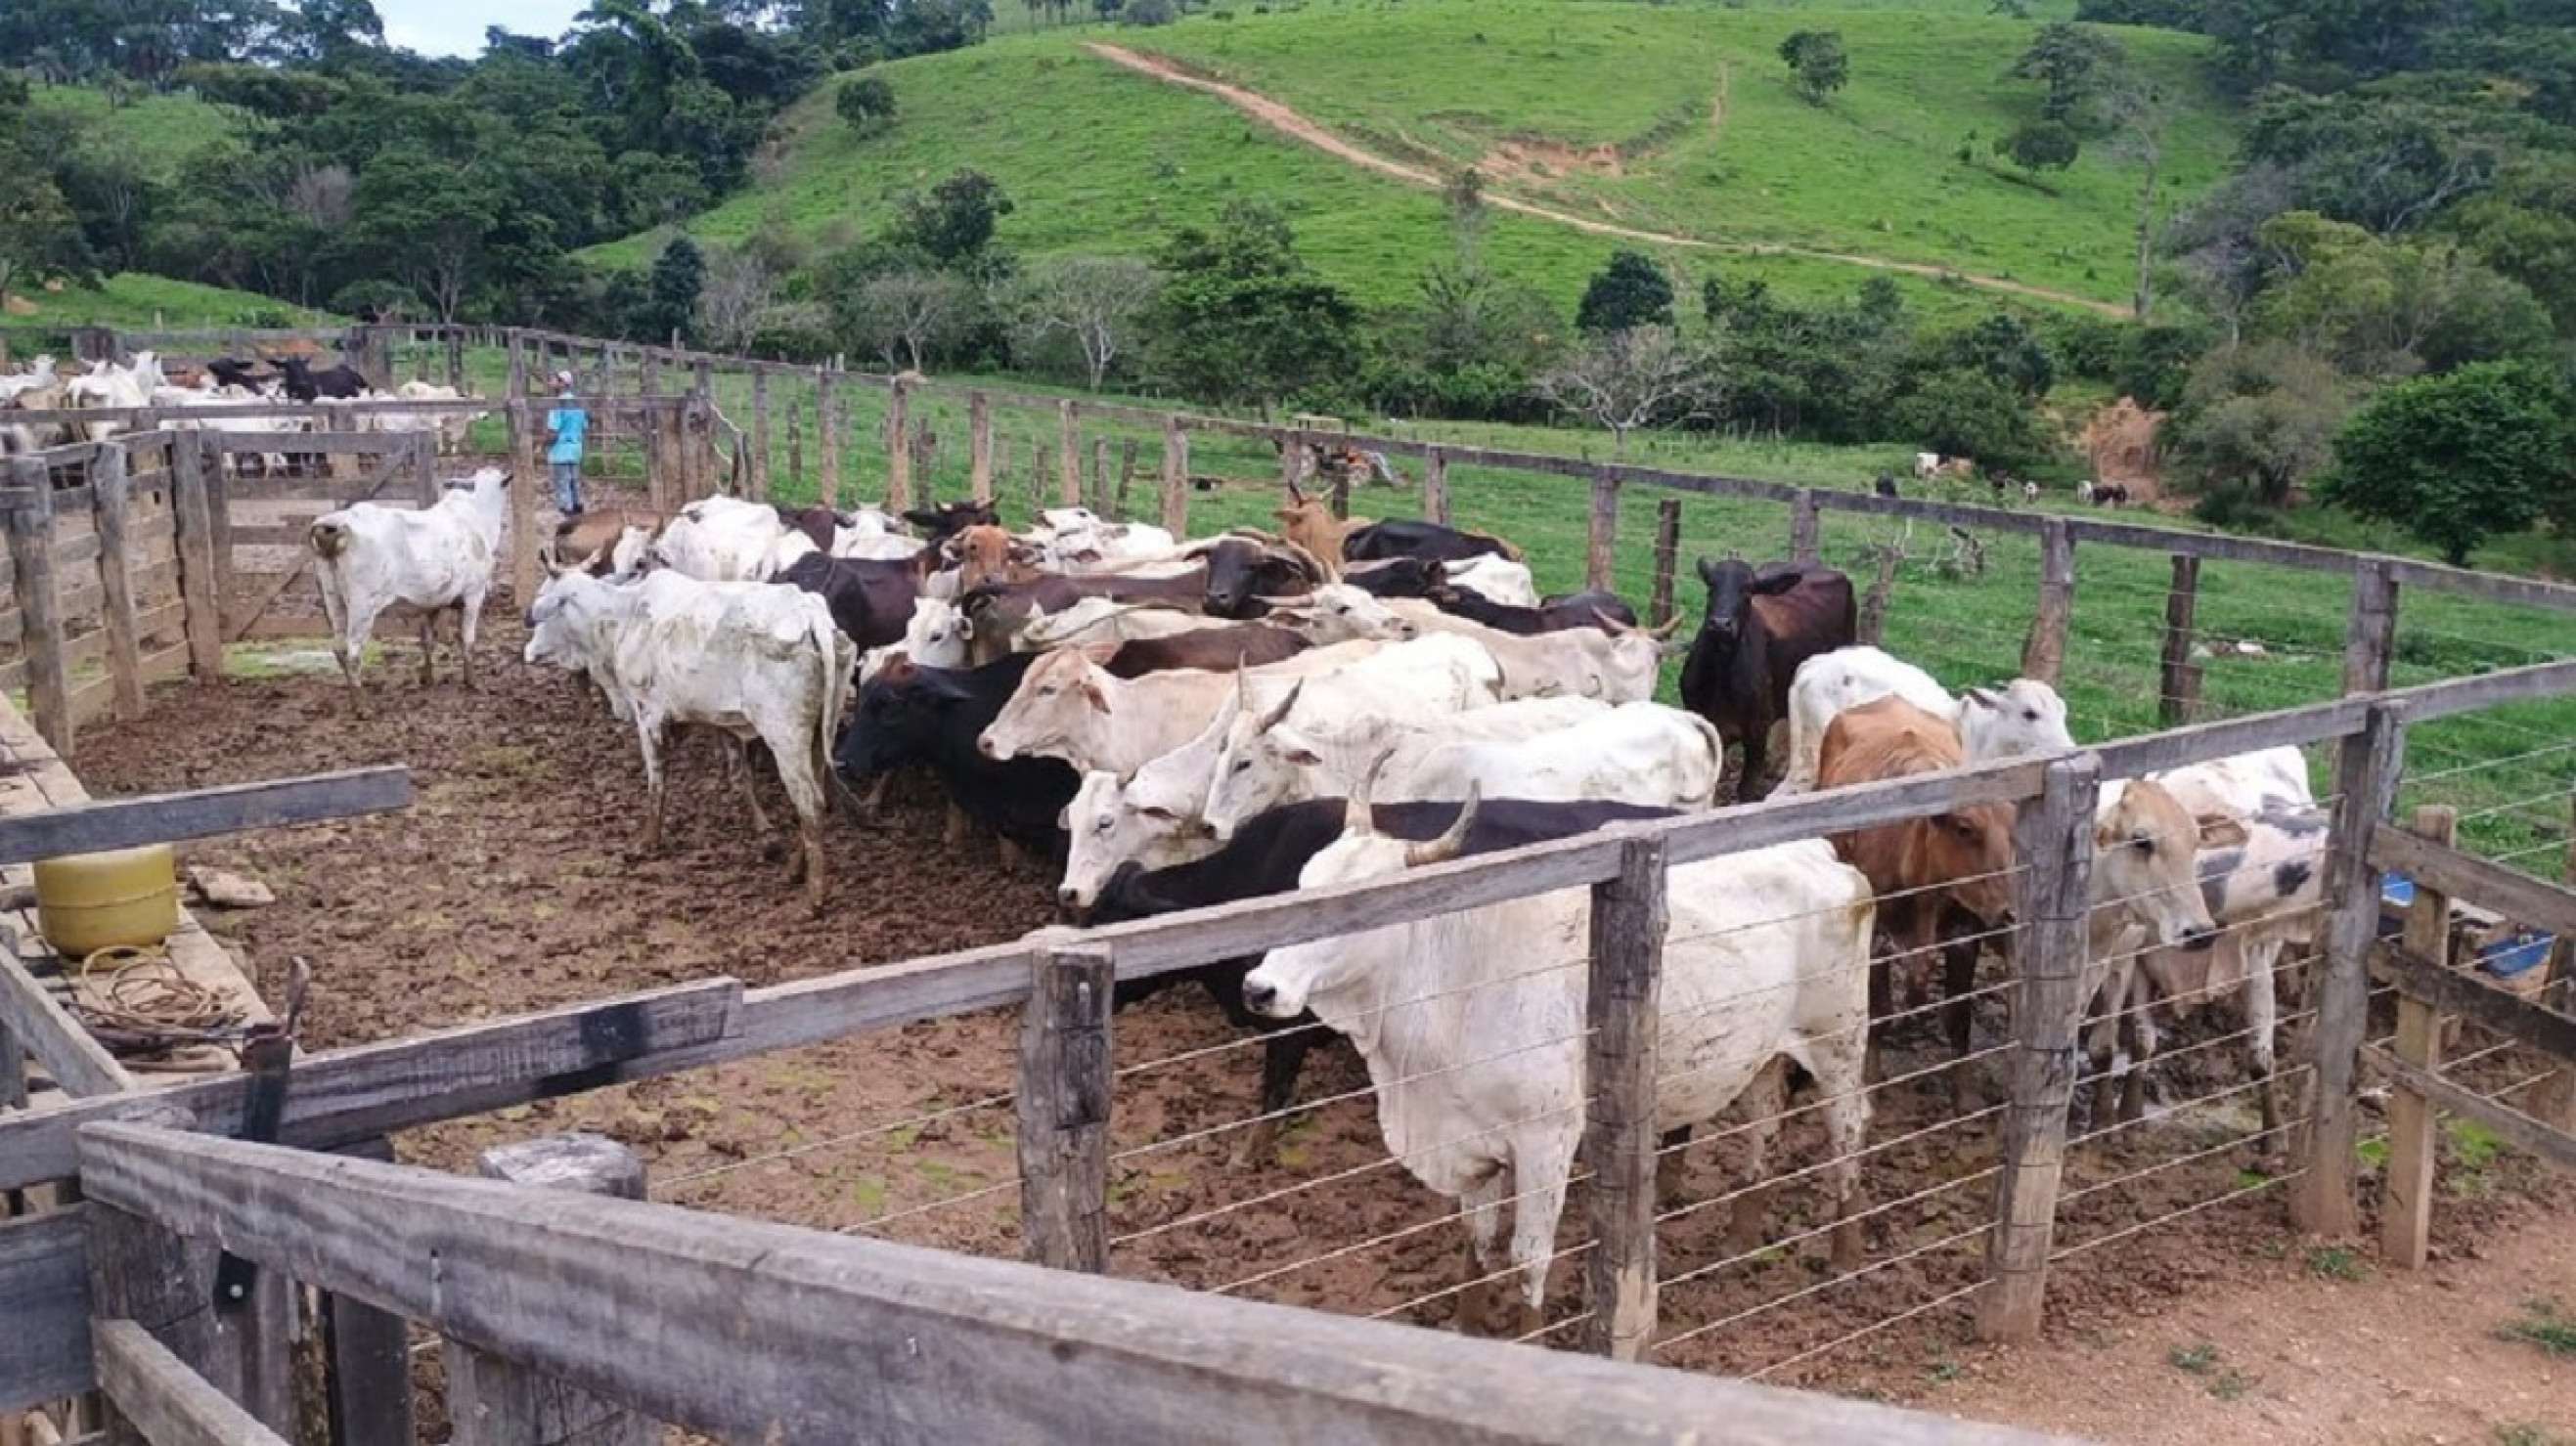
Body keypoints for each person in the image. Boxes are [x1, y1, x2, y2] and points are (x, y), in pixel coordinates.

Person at [545, 371, 588, 515]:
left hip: (560, 449)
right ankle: (578, 508)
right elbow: (584, 426)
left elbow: (553, 431)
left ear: (562, 384)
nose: (551, 382)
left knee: (562, 483)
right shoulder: (578, 404)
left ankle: (567, 513)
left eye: (555, 380)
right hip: (575, 448)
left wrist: (543, 445)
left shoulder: (557, 404)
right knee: (575, 481)